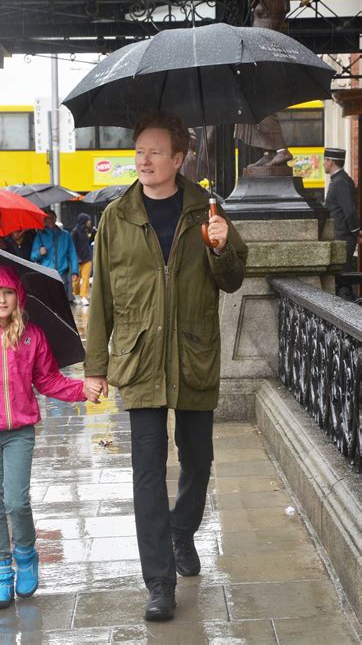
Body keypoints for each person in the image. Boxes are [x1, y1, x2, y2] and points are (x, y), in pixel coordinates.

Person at [84, 111, 248, 622]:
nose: (144, 160)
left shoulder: (208, 210)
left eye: (156, 151)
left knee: (198, 459)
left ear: (180, 159)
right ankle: (159, 582)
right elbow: (102, 296)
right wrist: (95, 366)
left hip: (193, 354)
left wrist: (221, 248)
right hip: (139, 359)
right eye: (139, 151)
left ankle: (182, 530)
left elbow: (235, 278)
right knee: (146, 474)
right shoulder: (117, 216)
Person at [0, 265, 101, 610]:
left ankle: (27, 555)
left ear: (18, 297)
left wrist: (82, 390)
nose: (1, 299)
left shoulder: (32, 336)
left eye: (7, 293)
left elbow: (49, 381)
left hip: (20, 433)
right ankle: (2, 573)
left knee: (17, 501)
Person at [234, 0, 293, 168]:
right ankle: (269, 152)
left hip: (264, 48)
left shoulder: (275, 0)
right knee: (252, 103)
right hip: (257, 47)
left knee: (261, 104)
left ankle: (282, 150)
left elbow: (274, 21)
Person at [323, 147, 360, 301]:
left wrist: (356, 231)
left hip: (343, 237)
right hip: (340, 236)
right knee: (340, 278)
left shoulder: (340, 182)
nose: (323, 164)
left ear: (330, 162)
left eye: (324, 160)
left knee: (342, 279)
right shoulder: (338, 180)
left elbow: (350, 211)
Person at [30, 210, 79, 302]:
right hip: (46, 274)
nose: (50, 220)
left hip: (62, 274)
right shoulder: (40, 236)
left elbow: (72, 254)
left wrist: (75, 271)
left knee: (62, 301)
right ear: (44, 220)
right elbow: (32, 256)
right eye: (47, 218)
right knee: (48, 301)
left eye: (52, 218)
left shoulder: (66, 235)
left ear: (55, 218)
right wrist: (39, 253)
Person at [71, 213, 94, 306]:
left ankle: (84, 296)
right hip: (78, 259)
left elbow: (88, 242)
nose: (90, 222)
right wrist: (76, 258)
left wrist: (92, 234)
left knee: (86, 279)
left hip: (87, 258)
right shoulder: (75, 232)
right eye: (88, 220)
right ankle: (76, 293)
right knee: (76, 280)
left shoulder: (87, 231)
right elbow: (73, 246)